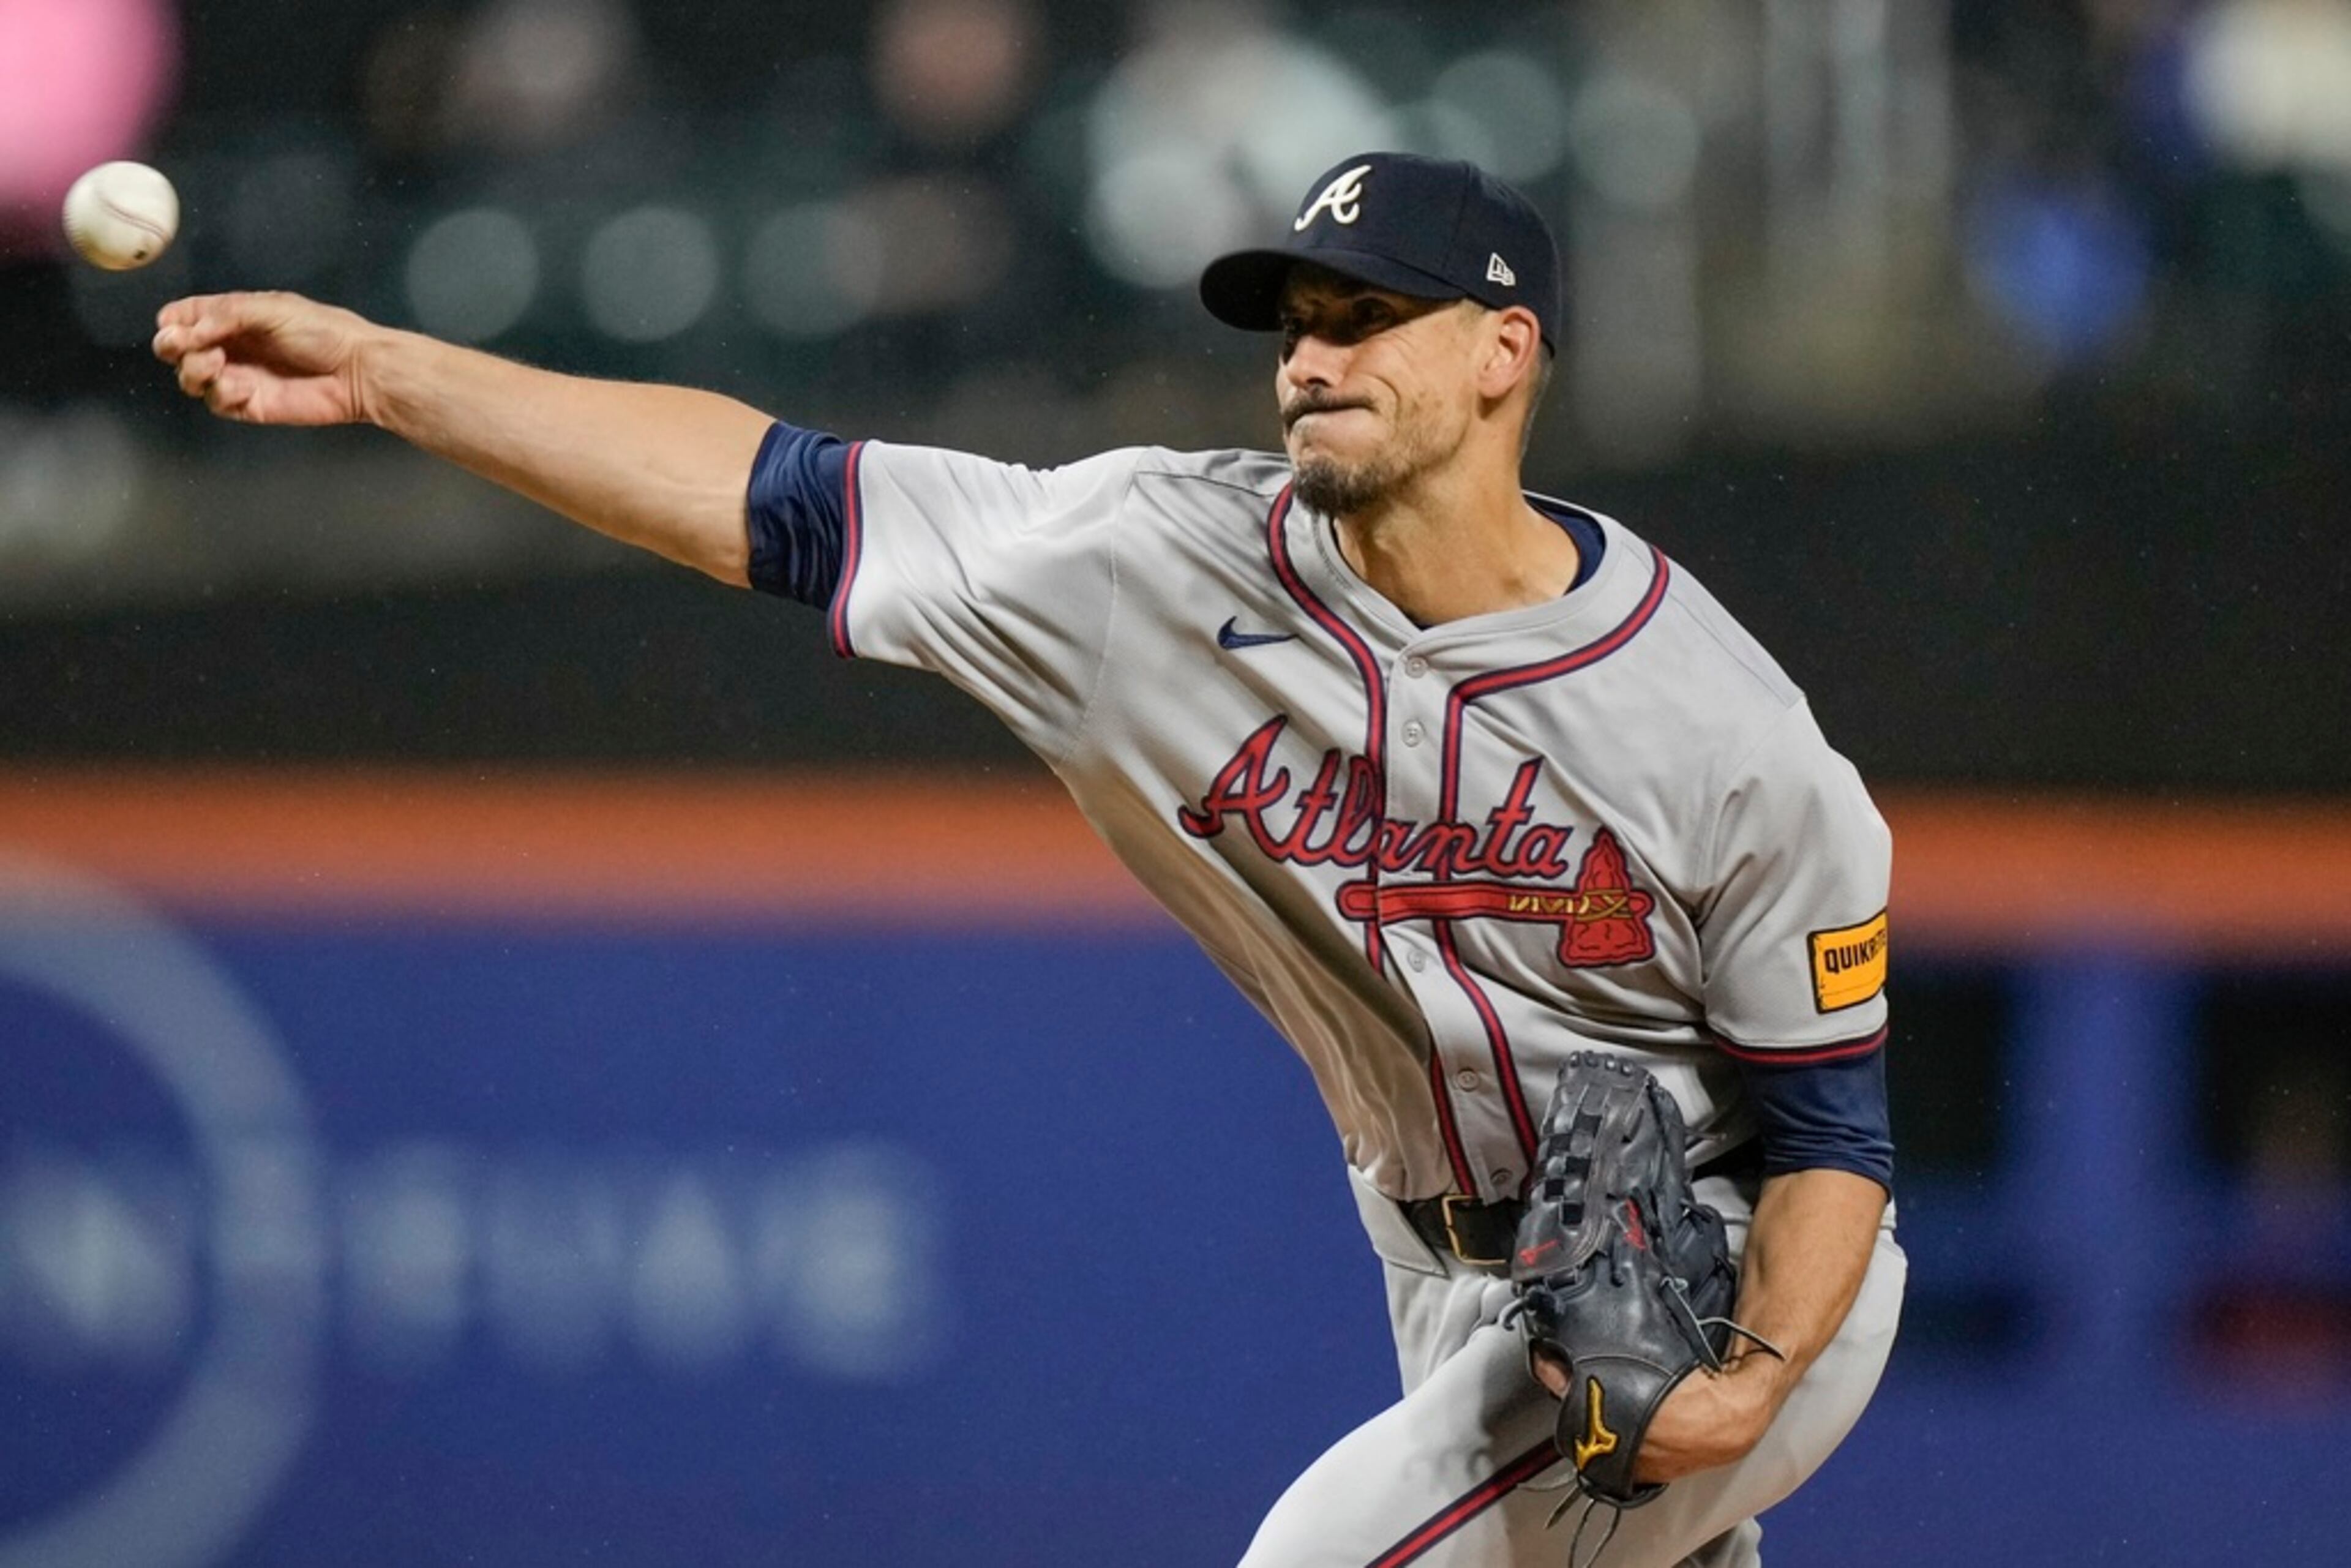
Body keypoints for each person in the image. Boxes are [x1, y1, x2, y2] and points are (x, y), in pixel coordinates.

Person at [152, 152, 1903, 1568]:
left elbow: (1835, 1122)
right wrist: (392, 371)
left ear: (1502, 355)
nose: (1309, 357)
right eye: (1294, 320)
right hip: (1455, 1282)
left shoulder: (1712, 717)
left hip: (1716, 1271)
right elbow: (778, 495)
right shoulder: (1143, 561)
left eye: (1369, 317)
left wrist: (1748, 1379)